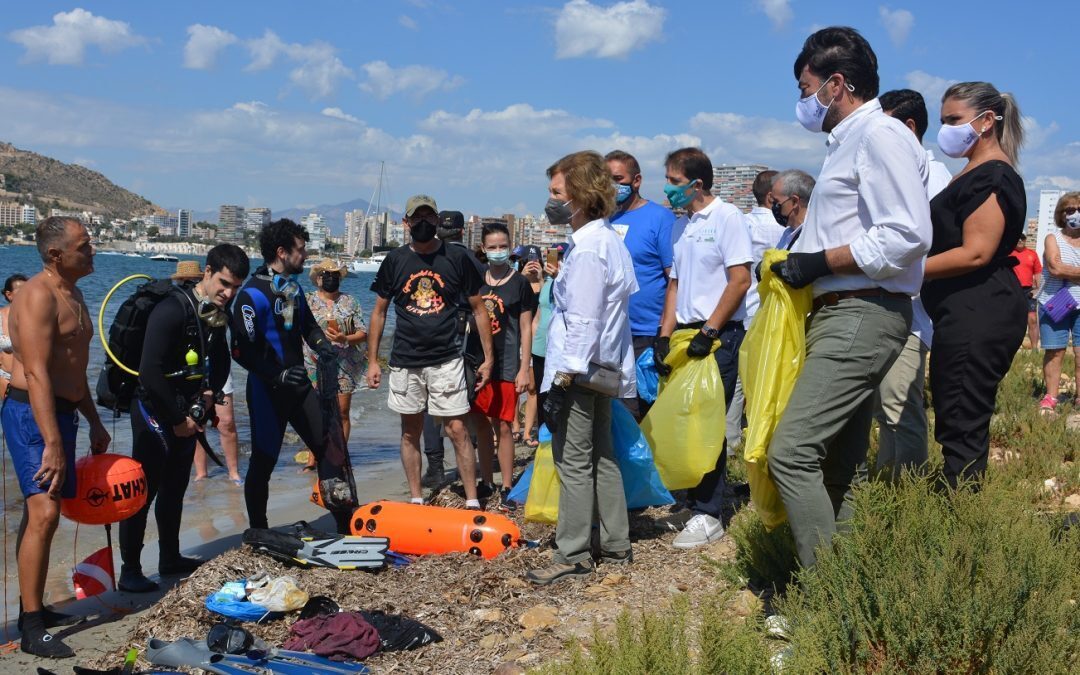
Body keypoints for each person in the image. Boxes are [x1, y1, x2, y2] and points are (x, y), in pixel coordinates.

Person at [767, 27, 931, 569]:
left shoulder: (879, 136)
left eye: (805, 87)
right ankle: (853, 588)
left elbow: (906, 234)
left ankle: (824, 602)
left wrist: (820, 261)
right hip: (844, 311)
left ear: (836, 85)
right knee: (840, 462)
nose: (802, 101)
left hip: (861, 311)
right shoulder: (850, 144)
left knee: (791, 454)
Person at [526, 151, 637, 585]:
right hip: (601, 366)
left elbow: (585, 319)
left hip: (581, 368)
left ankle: (571, 552)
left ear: (580, 195)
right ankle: (615, 542)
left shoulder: (590, 247)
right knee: (603, 455)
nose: (551, 200)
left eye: (556, 192)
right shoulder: (604, 239)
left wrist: (562, 377)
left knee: (573, 461)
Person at [2, 217, 111, 658]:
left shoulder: (76, 293)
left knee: (42, 515)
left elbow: (72, 372)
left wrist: (95, 421)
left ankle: (37, 607)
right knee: (44, 511)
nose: (93, 252)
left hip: (63, 413)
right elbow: (36, 372)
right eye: (84, 247)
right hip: (31, 414)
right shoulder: (36, 296)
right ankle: (30, 626)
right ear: (56, 254)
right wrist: (52, 443)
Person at [118, 244, 249, 593]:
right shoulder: (172, 309)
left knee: (175, 487)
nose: (228, 293)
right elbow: (149, 372)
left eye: (235, 287)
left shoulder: (217, 311)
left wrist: (208, 397)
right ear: (207, 272)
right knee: (142, 492)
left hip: (187, 408)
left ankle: (170, 557)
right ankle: (130, 569)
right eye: (223, 283)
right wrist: (177, 419)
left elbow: (220, 360)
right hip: (154, 409)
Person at [923, 81, 1027, 488]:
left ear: (986, 121)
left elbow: (976, 252)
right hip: (965, 310)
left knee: (962, 416)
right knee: (956, 412)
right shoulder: (973, 172)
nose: (946, 129)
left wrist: (910, 270)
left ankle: (962, 519)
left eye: (954, 120)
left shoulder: (993, 176)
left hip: (979, 311)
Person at [367, 195, 494, 508]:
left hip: (446, 358)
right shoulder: (395, 260)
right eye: (417, 218)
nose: (424, 223)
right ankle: (416, 498)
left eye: (429, 217)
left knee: (457, 428)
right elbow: (379, 312)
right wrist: (371, 361)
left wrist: (489, 358)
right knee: (410, 431)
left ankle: (473, 501)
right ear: (406, 223)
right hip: (405, 360)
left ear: (437, 221)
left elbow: (479, 309)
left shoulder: (456, 258)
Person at [654, 147, 752, 549]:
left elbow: (740, 280)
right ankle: (696, 501)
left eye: (674, 182)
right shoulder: (682, 225)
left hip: (718, 334)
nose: (669, 189)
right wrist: (665, 335)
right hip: (685, 334)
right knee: (684, 419)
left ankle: (710, 514)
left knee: (709, 421)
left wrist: (709, 332)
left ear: (697, 184)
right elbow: (675, 285)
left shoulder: (726, 217)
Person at [231, 219, 344, 531]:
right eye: (301, 250)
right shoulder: (251, 295)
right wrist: (276, 376)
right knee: (263, 462)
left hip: (299, 387)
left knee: (330, 450)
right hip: (268, 391)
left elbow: (308, 326)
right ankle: (260, 529)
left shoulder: (293, 288)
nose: (305, 256)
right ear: (282, 252)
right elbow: (241, 351)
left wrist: (324, 347)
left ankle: (344, 521)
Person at [873, 88, 954, 478]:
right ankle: (890, 487)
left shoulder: (933, 177)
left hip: (912, 313)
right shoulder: (903, 172)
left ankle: (906, 495)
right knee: (886, 408)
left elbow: (933, 244)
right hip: (890, 309)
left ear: (909, 127)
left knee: (898, 407)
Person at [418, 209, 486, 488]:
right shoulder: (475, 261)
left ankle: (435, 467)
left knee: (429, 403)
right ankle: (464, 461)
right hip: (469, 337)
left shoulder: (430, 259)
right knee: (466, 400)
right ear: (462, 231)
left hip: (432, 336)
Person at [606, 150, 675, 420]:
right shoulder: (605, 220)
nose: (612, 186)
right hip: (611, 333)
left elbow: (674, 278)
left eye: (617, 179)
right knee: (615, 415)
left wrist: (664, 331)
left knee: (642, 414)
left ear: (636, 181)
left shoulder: (660, 218)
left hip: (646, 333)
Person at [472, 223, 536, 509]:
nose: (498, 251)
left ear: (510, 246)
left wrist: (524, 367)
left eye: (503, 246)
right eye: (493, 247)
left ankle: (507, 485)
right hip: (479, 362)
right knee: (481, 424)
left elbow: (526, 327)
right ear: (483, 249)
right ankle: (487, 481)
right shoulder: (476, 279)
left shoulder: (519, 283)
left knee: (505, 425)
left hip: (508, 362)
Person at [168, 261, 243, 486]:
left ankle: (234, 472)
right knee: (195, 420)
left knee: (227, 422)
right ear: (179, 282)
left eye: (193, 279)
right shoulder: (176, 305)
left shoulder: (217, 303)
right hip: (189, 373)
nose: (189, 283)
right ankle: (201, 472)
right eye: (185, 281)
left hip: (217, 370)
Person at [728, 170, 786, 449]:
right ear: (772, 196)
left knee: (740, 381)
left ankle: (732, 439)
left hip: (746, 308)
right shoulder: (783, 228)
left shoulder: (744, 223)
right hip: (774, 312)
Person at [303, 259, 368, 447]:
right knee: (314, 413)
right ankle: (312, 458)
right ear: (318, 279)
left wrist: (345, 339)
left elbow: (363, 332)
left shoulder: (350, 301)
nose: (331, 278)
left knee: (342, 412)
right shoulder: (307, 300)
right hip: (312, 363)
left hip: (344, 365)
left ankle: (340, 456)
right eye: (326, 275)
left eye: (335, 275)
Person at [1035, 193, 1080, 413]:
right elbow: (1056, 268)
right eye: (1070, 210)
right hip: (1056, 302)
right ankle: (1051, 397)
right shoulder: (1053, 238)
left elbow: (1063, 268)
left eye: (1079, 209)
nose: (1075, 214)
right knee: (1055, 351)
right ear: (1062, 214)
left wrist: (1070, 272)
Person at [530, 244, 564, 424]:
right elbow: (538, 316)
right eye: (551, 256)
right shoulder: (547, 282)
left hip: (558, 350)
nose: (554, 261)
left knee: (556, 397)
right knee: (541, 396)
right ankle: (542, 440)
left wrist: (560, 276)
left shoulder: (567, 282)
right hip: (540, 349)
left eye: (559, 257)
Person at [770, 169, 815, 250]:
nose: (774, 207)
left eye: (776, 202)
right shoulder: (788, 233)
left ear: (795, 201)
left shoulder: (813, 238)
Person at [1010, 238, 1041, 350]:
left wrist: (1038, 289)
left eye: (1022, 237)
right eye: (1018, 237)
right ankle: (1012, 347)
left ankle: (1034, 350)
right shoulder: (1008, 253)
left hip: (1028, 291)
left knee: (1032, 319)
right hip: (1012, 290)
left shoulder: (1032, 254)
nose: (1020, 240)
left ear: (1025, 239)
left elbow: (1038, 272)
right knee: (1012, 319)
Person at [1, 273, 28, 400]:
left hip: (29, 380)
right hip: (4, 378)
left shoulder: (36, 317)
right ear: (9, 294)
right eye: (21, 290)